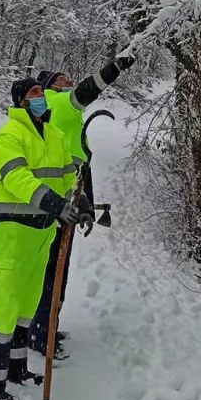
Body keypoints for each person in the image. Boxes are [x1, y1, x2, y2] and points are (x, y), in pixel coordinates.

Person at [0, 78, 94, 400]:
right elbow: (17, 177)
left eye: (42, 92)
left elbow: (68, 177)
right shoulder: (9, 135)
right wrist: (54, 203)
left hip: (43, 232)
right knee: (6, 302)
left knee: (27, 302)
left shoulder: (54, 135)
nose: (41, 97)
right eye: (34, 93)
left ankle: (15, 369)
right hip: (15, 229)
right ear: (21, 100)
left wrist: (77, 202)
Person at [28, 56, 135, 357]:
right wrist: (114, 68)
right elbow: (91, 88)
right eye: (62, 77)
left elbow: (76, 163)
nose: (69, 80)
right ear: (51, 86)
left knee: (43, 269)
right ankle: (42, 334)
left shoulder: (47, 113)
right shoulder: (62, 102)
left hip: (45, 199)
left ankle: (39, 328)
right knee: (54, 271)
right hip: (61, 202)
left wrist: (85, 199)